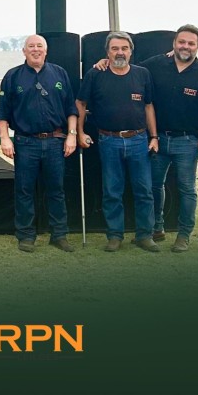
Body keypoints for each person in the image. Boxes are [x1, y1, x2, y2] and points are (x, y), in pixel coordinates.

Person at [96, 25, 198, 251]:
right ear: (174, 43)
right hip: (157, 139)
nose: (186, 46)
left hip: (188, 141)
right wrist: (105, 62)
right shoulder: (155, 65)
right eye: (182, 42)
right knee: (152, 187)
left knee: (186, 189)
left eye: (191, 43)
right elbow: (125, 65)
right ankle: (156, 228)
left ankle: (184, 235)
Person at [76, 31, 159, 253]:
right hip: (108, 141)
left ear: (131, 51)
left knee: (144, 191)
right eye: (115, 48)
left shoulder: (142, 74)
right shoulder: (95, 74)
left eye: (124, 48)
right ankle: (114, 236)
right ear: (107, 52)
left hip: (139, 140)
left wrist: (154, 137)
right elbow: (80, 103)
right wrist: (79, 132)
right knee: (112, 191)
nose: (120, 52)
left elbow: (149, 106)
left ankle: (145, 236)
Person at [0, 35, 78, 253]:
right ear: (24, 51)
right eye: (30, 46)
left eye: (39, 46)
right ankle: (26, 235)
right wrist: (4, 138)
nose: (35, 49)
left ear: (46, 50)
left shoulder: (59, 74)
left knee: (56, 190)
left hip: (55, 142)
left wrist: (72, 135)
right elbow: (2, 112)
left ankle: (59, 235)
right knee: (24, 190)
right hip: (25, 142)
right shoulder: (13, 76)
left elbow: (71, 108)